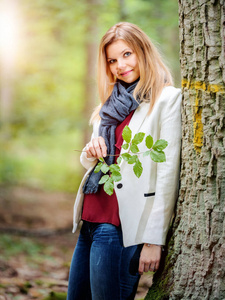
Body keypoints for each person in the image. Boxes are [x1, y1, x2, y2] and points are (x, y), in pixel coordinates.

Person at [67, 22, 181, 300]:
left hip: (120, 228)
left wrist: (154, 240)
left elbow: (168, 175)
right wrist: (90, 151)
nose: (120, 65)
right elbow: (94, 162)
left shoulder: (167, 99)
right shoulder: (108, 105)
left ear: (143, 51)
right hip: (90, 221)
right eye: (112, 60)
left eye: (127, 54)